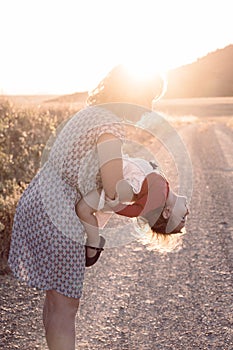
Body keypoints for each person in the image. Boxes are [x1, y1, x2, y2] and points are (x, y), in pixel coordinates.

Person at [8, 64, 188, 350]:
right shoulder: (109, 128)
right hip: (58, 211)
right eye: (148, 99)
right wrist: (142, 194)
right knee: (66, 306)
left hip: (39, 200)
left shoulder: (92, 115)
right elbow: (115, 186)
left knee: (56, 301)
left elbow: (101, 173)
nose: (149, 108)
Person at [76, 155, 189, 267]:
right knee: (96, 211)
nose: (187, 213)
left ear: (167, 212)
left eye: (183, 218)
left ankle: (93, 242)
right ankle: (90, 233)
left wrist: (117, 206)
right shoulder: (164, 191)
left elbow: (137, 211)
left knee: (83, 209)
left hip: (119, 185)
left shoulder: (160, 197)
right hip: (122, 176)